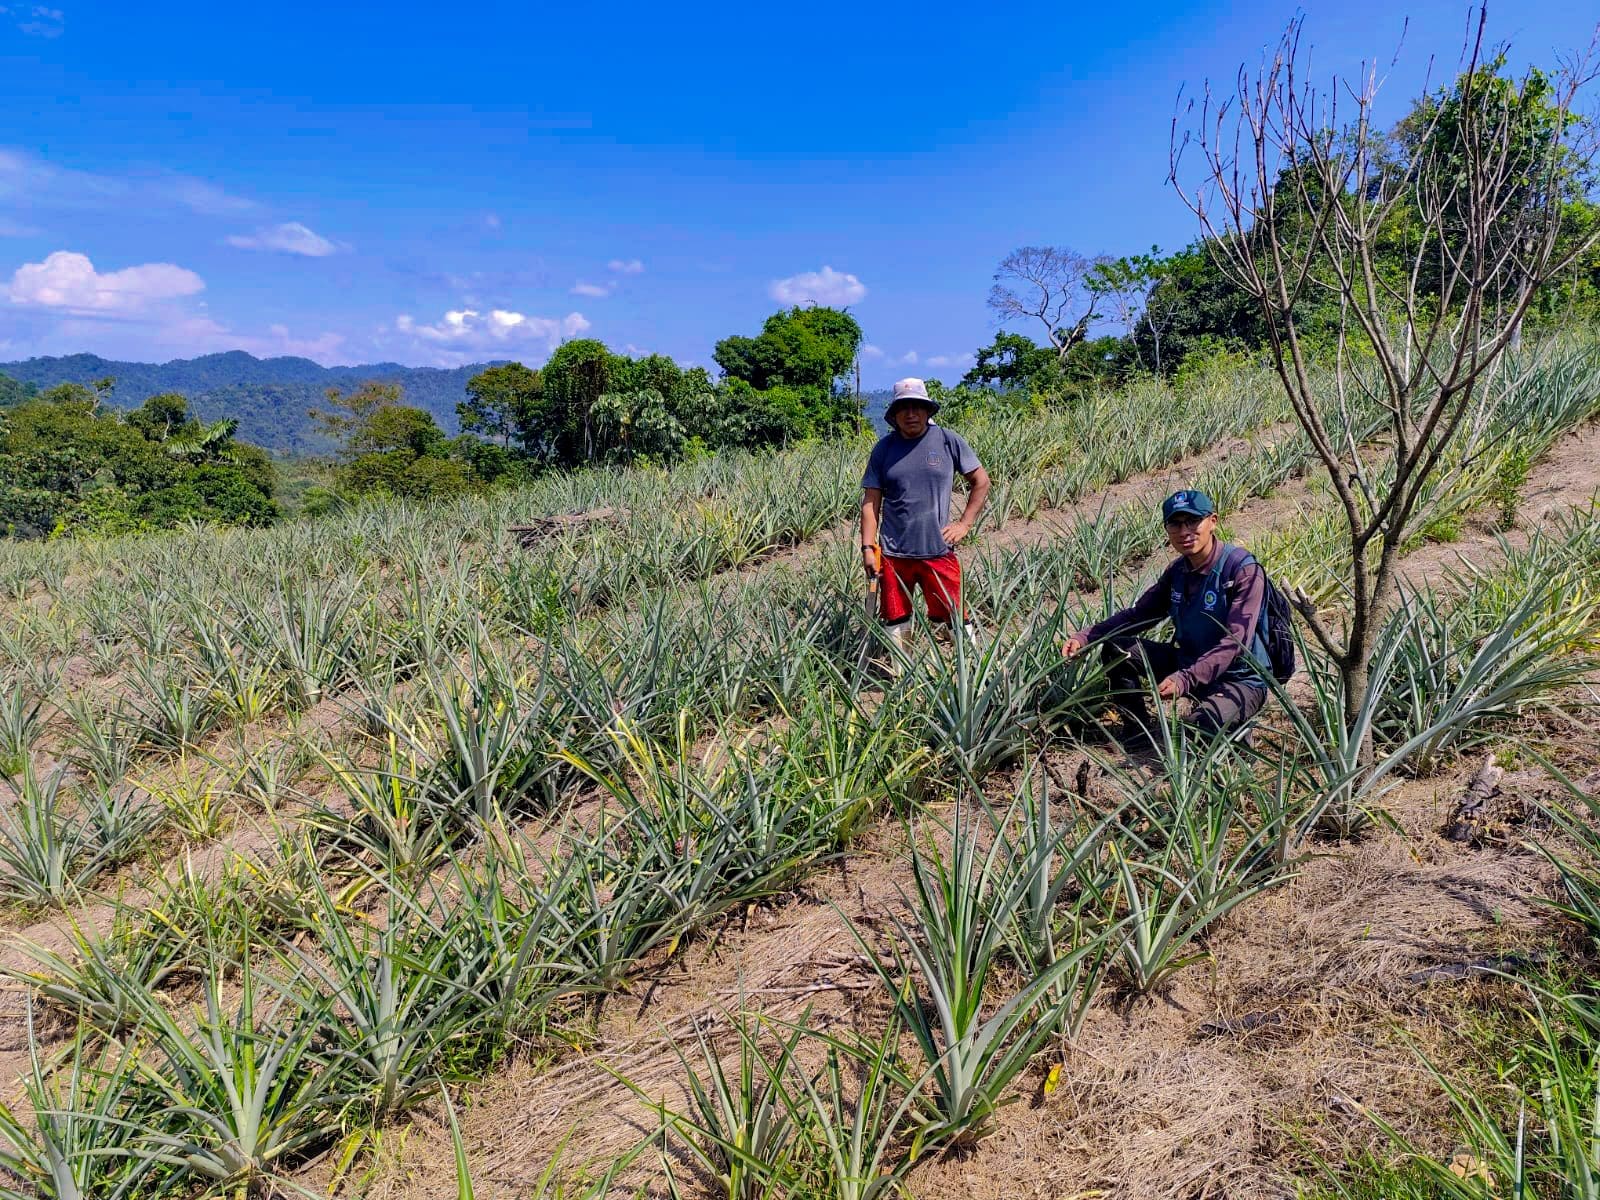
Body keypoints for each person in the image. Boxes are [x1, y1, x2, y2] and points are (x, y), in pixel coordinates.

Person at [1061, 488, 1268, 742]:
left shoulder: (1242, 570)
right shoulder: (1178, 572)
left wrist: (1185, 679)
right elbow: (1138, 615)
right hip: (1189, 663)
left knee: (1197, 732)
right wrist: (1086, 637)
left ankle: (1234, 728)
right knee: (1117, 649)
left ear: (1213, 521)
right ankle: (1137, 733)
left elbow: (1236, 642)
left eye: (1193, 521)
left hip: (1238, 679)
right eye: (1175, 523)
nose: (1184, 531)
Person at [860, 378, 991, 656]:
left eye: (917, 407)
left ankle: (970, 670)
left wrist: (965, 524)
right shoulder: (884, 449)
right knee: (896, 619)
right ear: (894, 414)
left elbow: (981, 481)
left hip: (938, 550)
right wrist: (868, 547)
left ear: (928, 410)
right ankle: (901, 674)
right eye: (903, 408)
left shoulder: (947, 440)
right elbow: (871, 502)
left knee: (955, 616)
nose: (911, 414)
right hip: (894, 554)